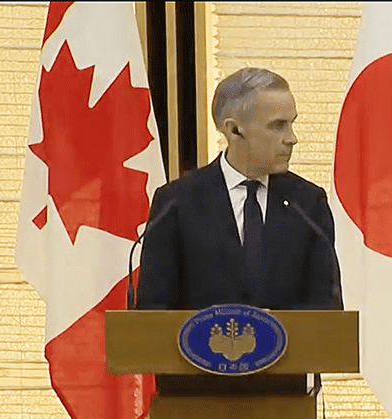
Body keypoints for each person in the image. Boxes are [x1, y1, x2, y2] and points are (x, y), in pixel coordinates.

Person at [136, 67, 341, 311]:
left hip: (292, 349)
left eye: (291, 124)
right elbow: (153, 311)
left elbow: (327, 311)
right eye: (277, 126)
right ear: (233, 130)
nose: (291, 138)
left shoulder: (307, 204)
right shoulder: (176, 203)